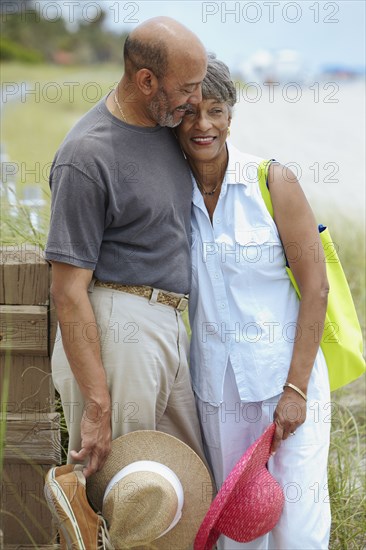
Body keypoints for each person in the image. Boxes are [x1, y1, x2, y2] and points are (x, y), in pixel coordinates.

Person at [175, 54, 331, 549]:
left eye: (216, 111)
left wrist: (296, 391)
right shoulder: (170, 198)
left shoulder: (273, 183)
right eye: (190, 112)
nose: (204, 125)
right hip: (217, 395)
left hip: (286, 381)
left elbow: (317, 288)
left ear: (230, 116)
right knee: (240, 528)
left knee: (297, 523)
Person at [45, 16, 208, 484]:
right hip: (120, 333)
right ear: (146, 80)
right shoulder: (86, 156)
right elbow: (68, 292)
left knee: (182, 489)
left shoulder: (166, 126)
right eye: (188, 87)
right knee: (119, 490)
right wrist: (97, 404)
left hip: (171, 327)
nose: (195, 100)